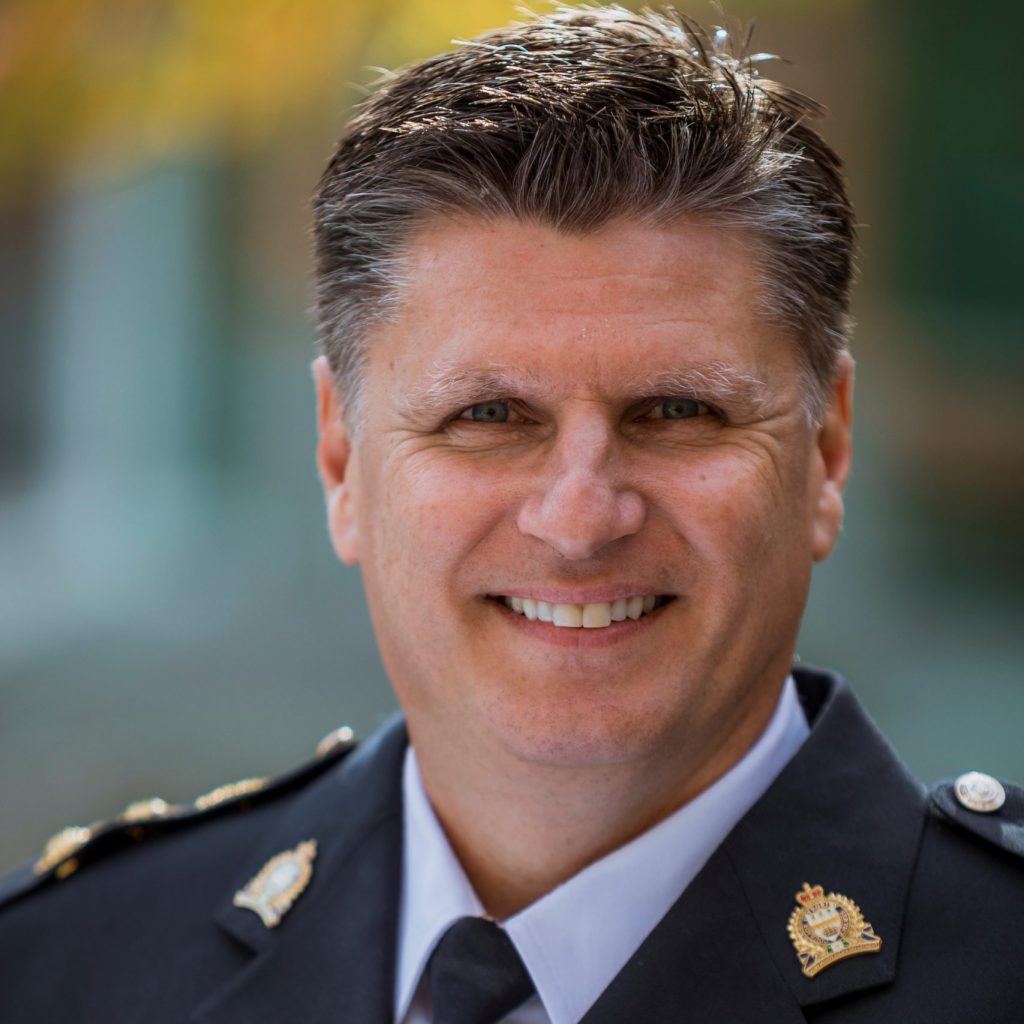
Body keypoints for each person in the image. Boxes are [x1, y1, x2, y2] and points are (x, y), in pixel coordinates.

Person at [1, 6, 1021, 1022]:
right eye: (488, 416)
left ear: (826, 453)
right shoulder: (60, 969)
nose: (580, 519)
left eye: (676, 412)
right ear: (341, 459)